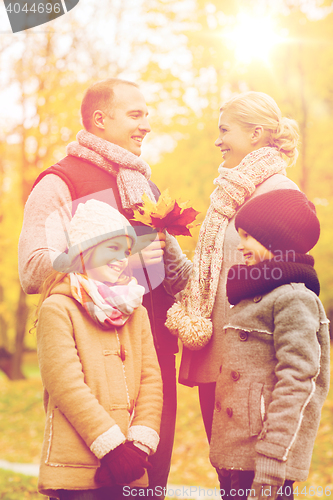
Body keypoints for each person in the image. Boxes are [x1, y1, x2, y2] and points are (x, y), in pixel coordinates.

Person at [18, 78, 192, 498]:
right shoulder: (60, 182)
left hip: (152, 362)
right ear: (100, 119)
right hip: (90, 360)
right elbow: (31, 269)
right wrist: (119, 259)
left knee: (149, 486)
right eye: (136, 114)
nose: (146, 125)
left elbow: (175, 280)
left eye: (147, 115)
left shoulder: (147, 188)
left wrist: (168, 254)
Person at [166, 91, 300, 442]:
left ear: (254, 134)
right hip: (217, 357)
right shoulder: (228, 196)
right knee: (228, 481)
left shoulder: (279, 193)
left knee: (259, 484)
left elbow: (287, 289)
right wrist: (165, 244)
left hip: (252, 367)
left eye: (224, 131)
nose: (217, 140)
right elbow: (212, 275)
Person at [36, 200, 163, 500]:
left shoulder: (136, 309)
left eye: (125, 250)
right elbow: (66, 386)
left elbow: (151, 381)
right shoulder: (58, 307)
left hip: (129, 465)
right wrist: (112, 447)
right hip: (78, 468)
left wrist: (137, 446)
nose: (121, 258)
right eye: (112, 248)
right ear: (85, 250)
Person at [209, 189, 330, 500]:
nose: (240, 245)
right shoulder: (252, 293)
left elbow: (299, 382)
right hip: (236, 455)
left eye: (248, 236)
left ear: (277, 240)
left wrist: (272, 461)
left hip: (264, 462)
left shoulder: (294, 298)